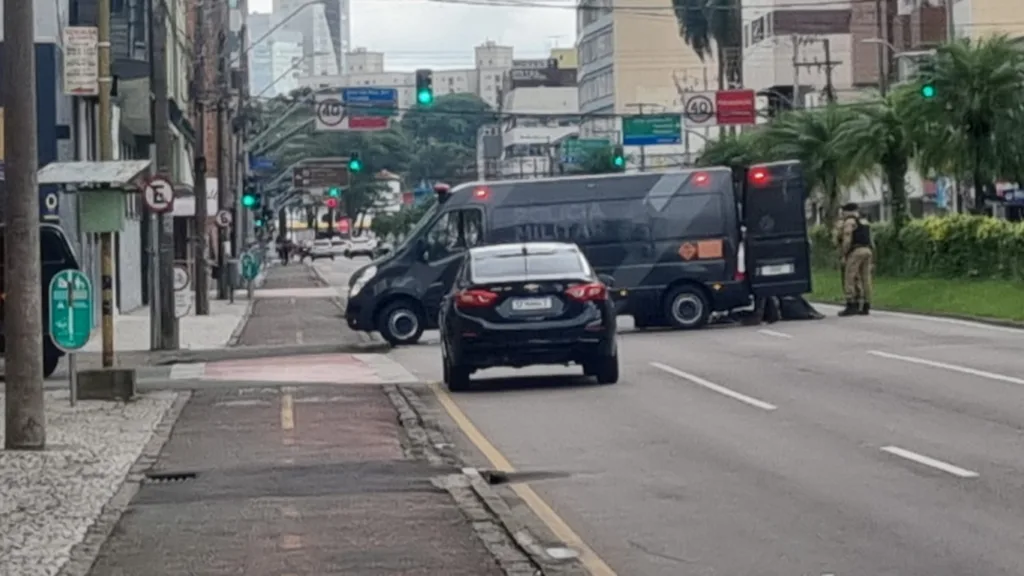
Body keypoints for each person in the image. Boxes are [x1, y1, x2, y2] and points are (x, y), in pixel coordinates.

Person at [837, 202, 873, 316]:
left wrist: (844, 254)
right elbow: (871, 239)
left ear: (848, 211)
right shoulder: (865, 222)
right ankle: (866, 304)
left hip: (855, 251)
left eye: (844, 211)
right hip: (867, 250)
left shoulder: (849, 222)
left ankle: (851, 304)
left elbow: (847, 239)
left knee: (850, 277)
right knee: (866, 278)